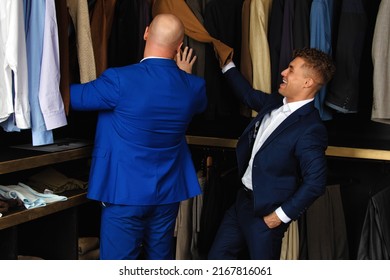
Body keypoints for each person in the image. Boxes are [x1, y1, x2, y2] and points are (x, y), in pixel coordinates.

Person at [70, 13, 207, 260]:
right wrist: (183, 74)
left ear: (145, 33)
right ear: (179, 47)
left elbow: (68, 98)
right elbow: (194, 102)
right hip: (167, 193)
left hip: (125, 192)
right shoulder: (194, 87)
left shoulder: (118, 79)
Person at [207, 48, 336, 260]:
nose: (283, 72)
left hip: (266, 217)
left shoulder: (311, 129)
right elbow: (248, 96)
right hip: (241, 203)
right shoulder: (276, 100)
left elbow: (316, 182)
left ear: (307, 83)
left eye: (291, 70)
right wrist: (227, 65)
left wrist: (278, 217)